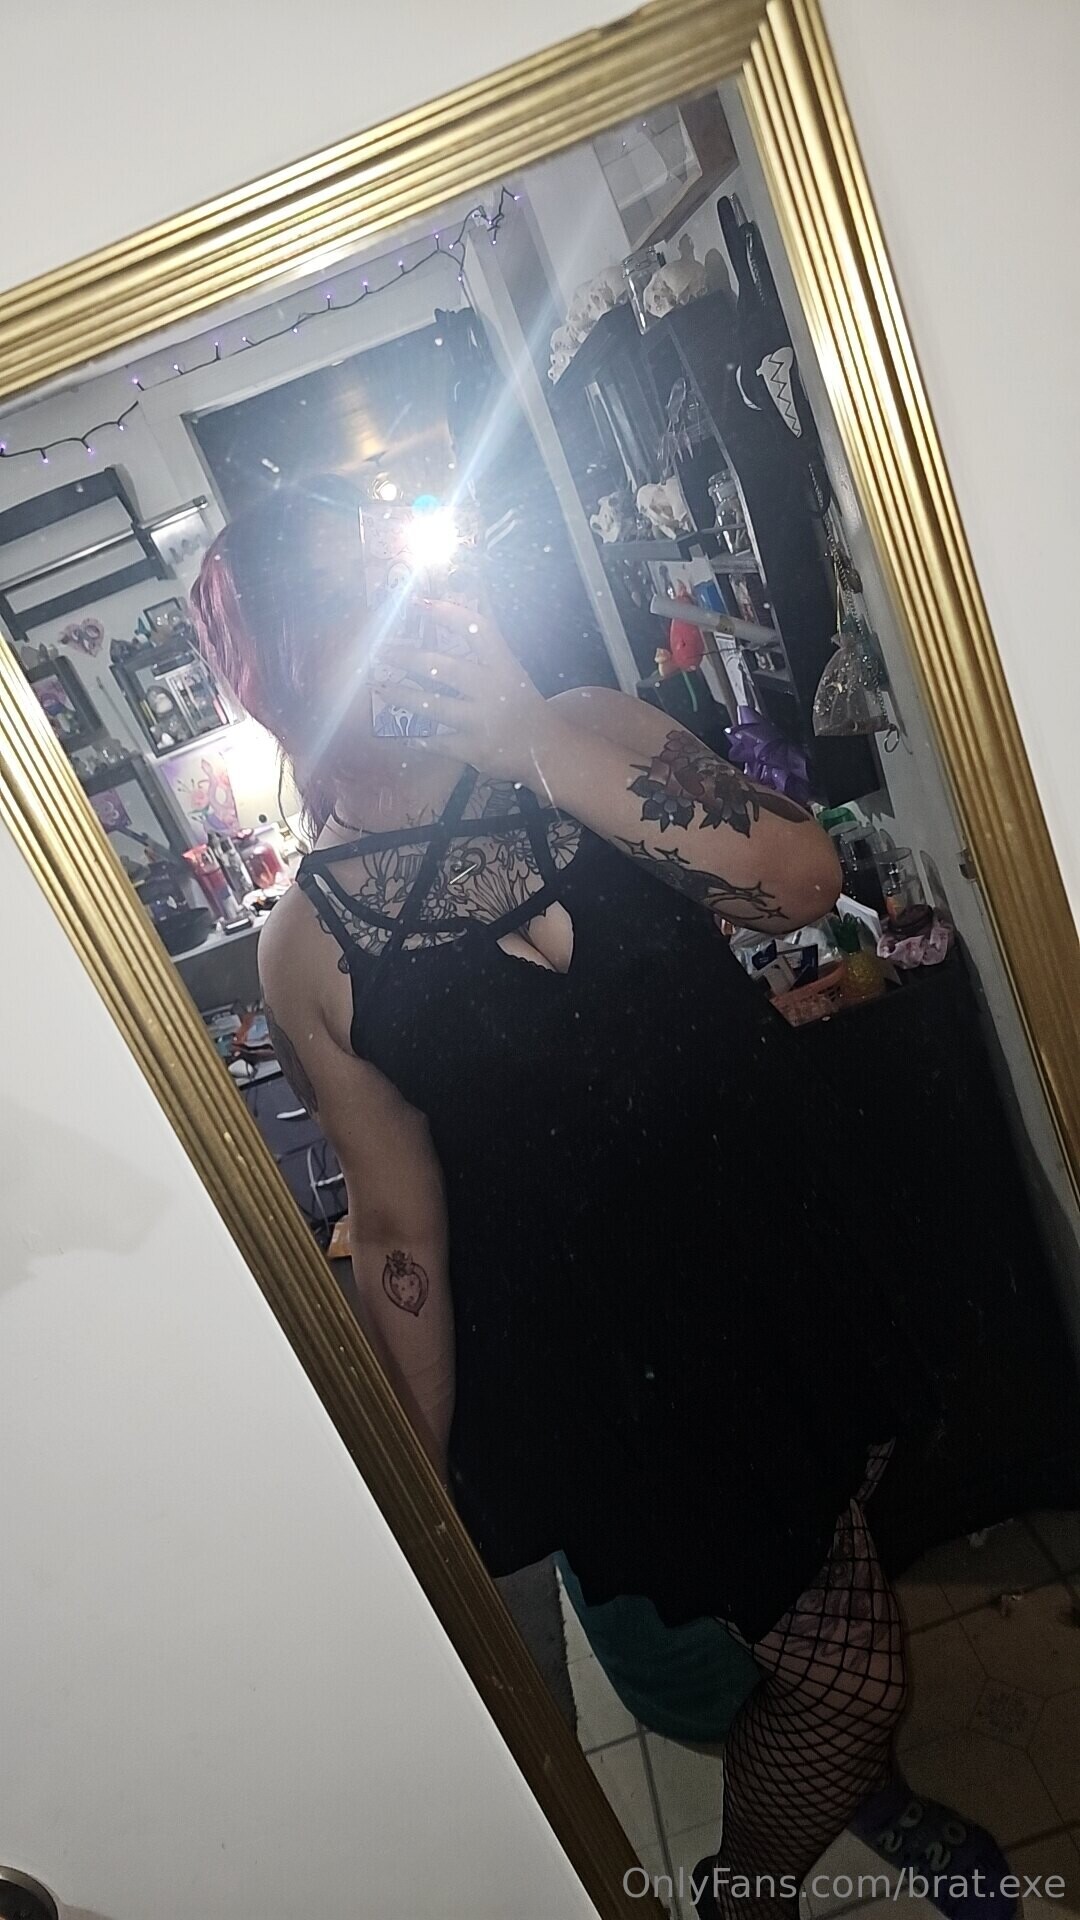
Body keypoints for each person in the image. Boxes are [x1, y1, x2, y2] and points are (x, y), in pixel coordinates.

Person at [191, 483, 908, 1919]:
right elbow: (400, 1233)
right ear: (279, 669)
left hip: (785, 1260)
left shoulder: (589, 729)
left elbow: (800, 881)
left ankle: (803, 1815)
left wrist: (530, 738)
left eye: (387, 574)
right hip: (630, 1371)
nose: (391, 615)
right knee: (852, 1682)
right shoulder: (308, 944)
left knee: (848, 1549)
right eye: (342, 600)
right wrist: (422, 1499)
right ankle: (746, 1892)